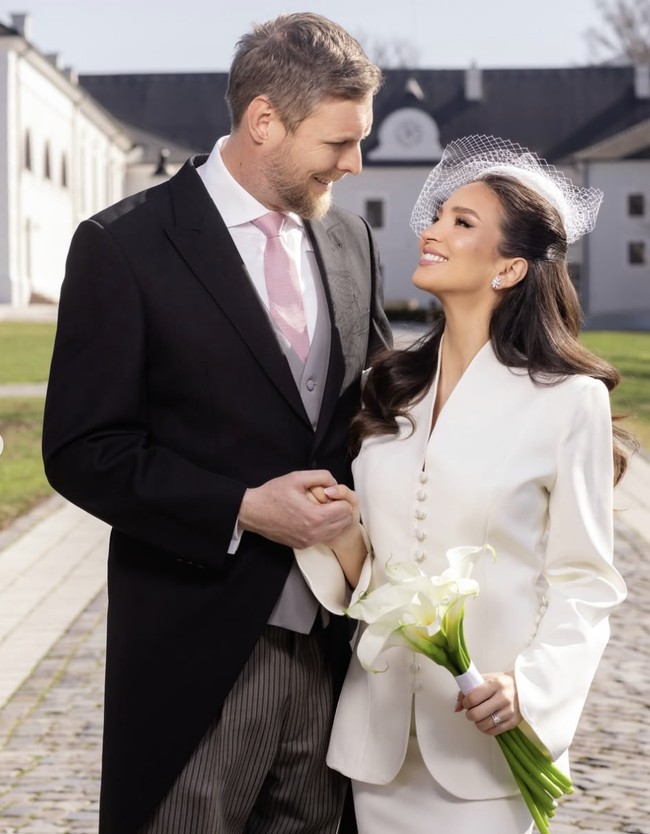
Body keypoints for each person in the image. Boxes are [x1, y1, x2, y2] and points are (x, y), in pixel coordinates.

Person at [42, 13, 390, 834]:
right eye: (339, 142)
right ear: (264, 120)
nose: (355, 163)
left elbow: (380, 410)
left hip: (336, 658)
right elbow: (83, 450)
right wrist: (241, 507)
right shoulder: (124, 246)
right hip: (197, 655)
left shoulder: (351, 238)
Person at [295, 135, 631, 833]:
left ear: (509, 267)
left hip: (488, 748)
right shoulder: (387, 389)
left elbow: (585, 581)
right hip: (379, 750)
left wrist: (530, 690)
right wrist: (342, 534)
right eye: (437, 215)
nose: (433, 230)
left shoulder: (569, 401)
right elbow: (380, 572)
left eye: (461, 221)